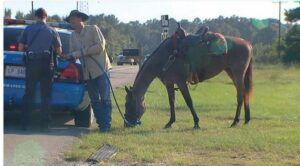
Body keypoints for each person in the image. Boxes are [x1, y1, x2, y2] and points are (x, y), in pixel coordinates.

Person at [64, 10, 112, 132]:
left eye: (73, 19)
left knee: (105, 98)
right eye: (70, 20)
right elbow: (73, 54)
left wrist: (82, 52)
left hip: (101, 70)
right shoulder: (72, 36)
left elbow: (100, 46)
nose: (72, 21)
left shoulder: (93, 29)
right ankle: (102, 125)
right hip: (87, 73)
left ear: (80, 19)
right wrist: (67, 57)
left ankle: (106, 125)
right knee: (94, 100)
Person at [18, 8, 62, 131]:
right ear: (46, 17)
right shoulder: (52, 31)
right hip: (47, 64)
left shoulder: (28, 29)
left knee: (29, 94)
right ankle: (45, 124)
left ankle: (24, 123)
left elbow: (20, 48)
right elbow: (59, 51)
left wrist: (30, 47)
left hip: (32, 63)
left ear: (35, 16)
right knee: (46, 95)